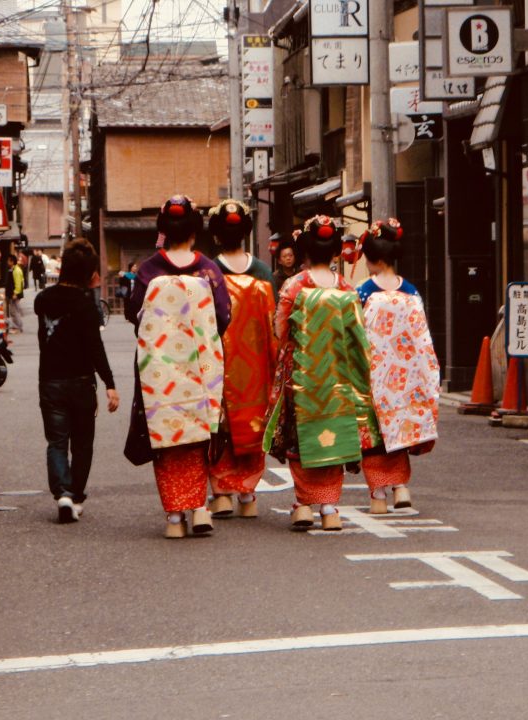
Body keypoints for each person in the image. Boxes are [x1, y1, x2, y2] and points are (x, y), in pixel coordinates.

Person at [263, 214, 380, 532]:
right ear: (332, 253)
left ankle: (303, 505)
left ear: (303, 251)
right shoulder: (346, 288)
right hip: (338, 378)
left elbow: (280, 330)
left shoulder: (294, 285)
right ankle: (330, 508)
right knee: (334, 436)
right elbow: (358, 337)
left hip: (302, 376)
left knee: (301, 440)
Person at [124, 195, 232, 539]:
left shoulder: (149, 270)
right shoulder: (209, 270)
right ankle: (199, 508)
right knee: (199, 434)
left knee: (166, 436)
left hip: (160, 370)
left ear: (162, 230)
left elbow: (133, 313)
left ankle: (174, 517)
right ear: (195, 231)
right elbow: (223, 316)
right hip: (200, 366)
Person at [356, 218, 440, 513]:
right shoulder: (412, 292)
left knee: (375, 435)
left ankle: (378, 494)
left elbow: (356, 334)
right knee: (400, 432)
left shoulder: (364, 292)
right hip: (405, 376)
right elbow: (421, 337)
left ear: (375, 258)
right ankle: (401, 487)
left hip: (373, 375)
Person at [34, 238, 120, 523]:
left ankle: (62, 494)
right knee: (82, 443)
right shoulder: (85, 306)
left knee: (57, 441)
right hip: (82, 382)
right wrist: (109, 384)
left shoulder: (43, 300)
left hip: (50, 381)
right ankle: (76, 495)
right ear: (89, 273)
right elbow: (95, 347)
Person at [205, 199, 278, 520]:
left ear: (217, 236)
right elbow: (274, 325)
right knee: (253, 424)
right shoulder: (262, 272)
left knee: (220, 427)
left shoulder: (208, 271)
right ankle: (248, 493)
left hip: (219, 363)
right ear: (248, 232)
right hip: (257, 364)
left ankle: (221, 493)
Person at [6, 253, 24, 332]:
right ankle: (18, 326)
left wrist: (15, 293)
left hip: (14, 294)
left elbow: (18, 283)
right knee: (14, 310)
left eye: (8, 261)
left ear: (12, 261)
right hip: (13, 294)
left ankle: (17, 327)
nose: (7, 262)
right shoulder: (14, 269)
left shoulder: (16, 271)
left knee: (14, 311)